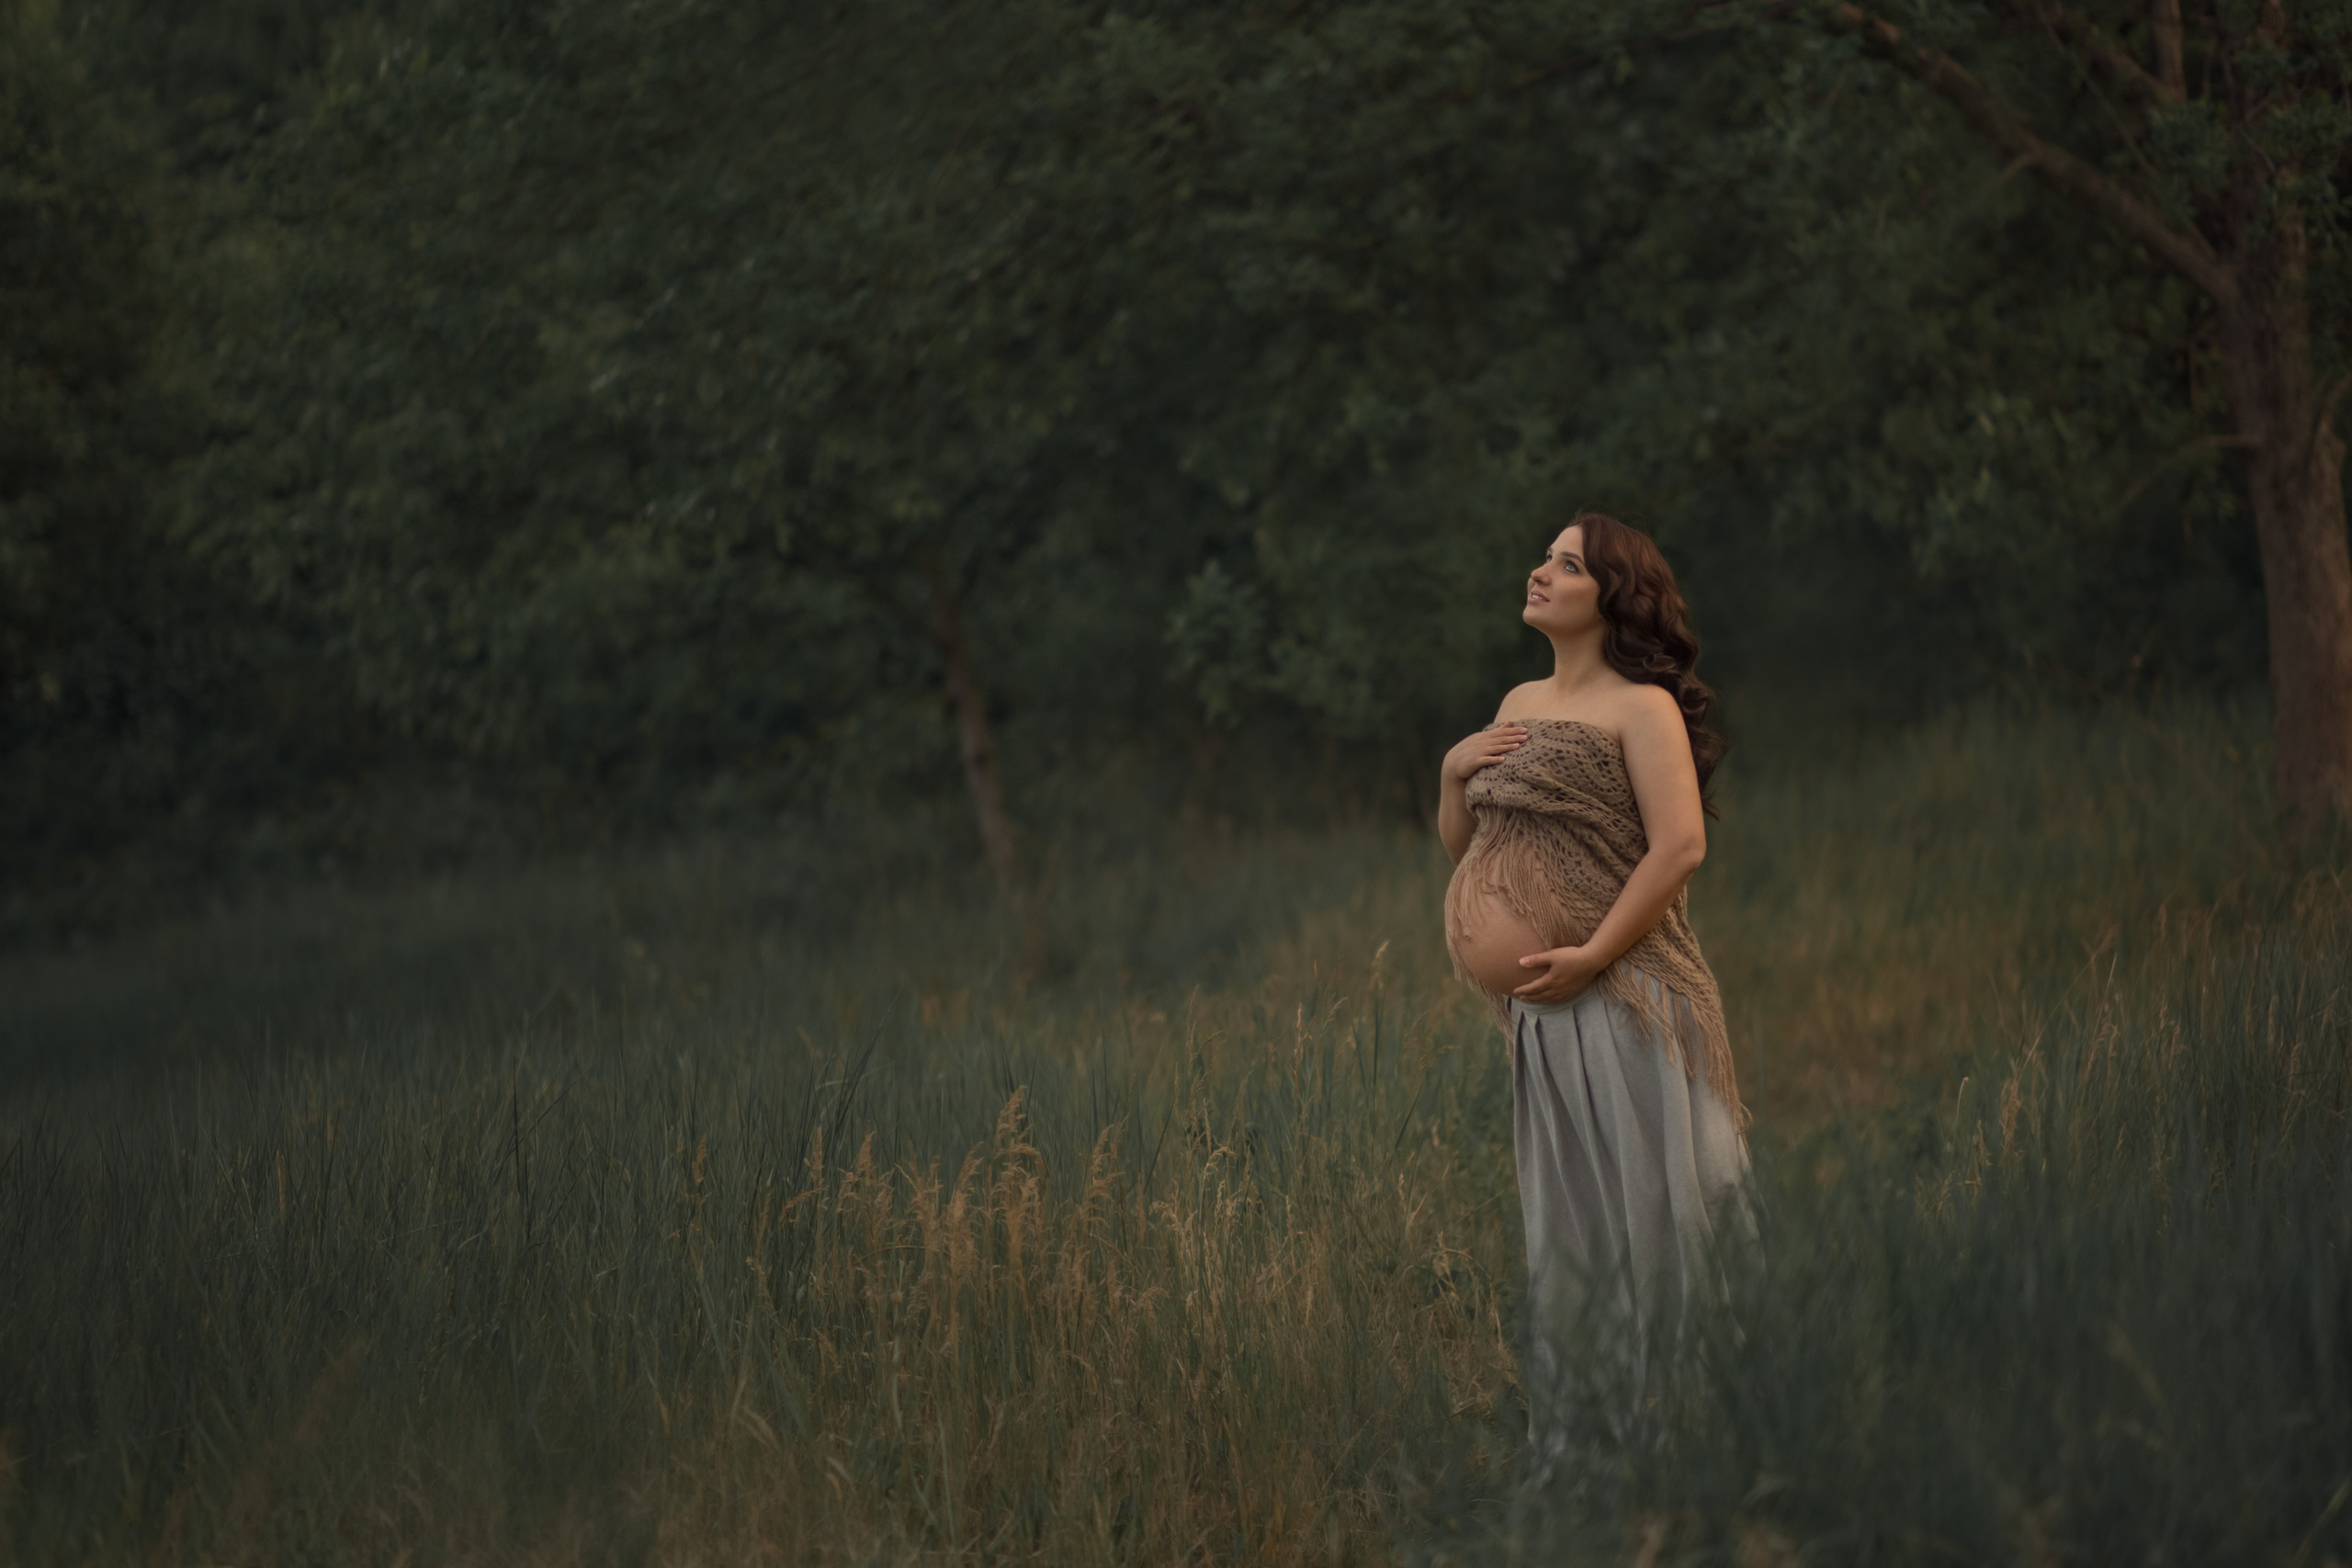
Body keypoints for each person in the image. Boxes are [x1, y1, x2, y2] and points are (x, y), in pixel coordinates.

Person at [1437, 511, 1750, 1439]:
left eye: (1567, 564)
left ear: (1611, 596)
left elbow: (1679, 846)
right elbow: (1471, 849)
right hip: (1542, 1017)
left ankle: (1698, 1427)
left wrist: (1593, 955)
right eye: (1545, 557)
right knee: (1577, 1227)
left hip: (1624, 995)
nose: (1540, 571)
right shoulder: (1516, 702)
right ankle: (1597, 1436)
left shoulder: (1639, 707)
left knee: (1661, 1218)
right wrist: (1452, 774)